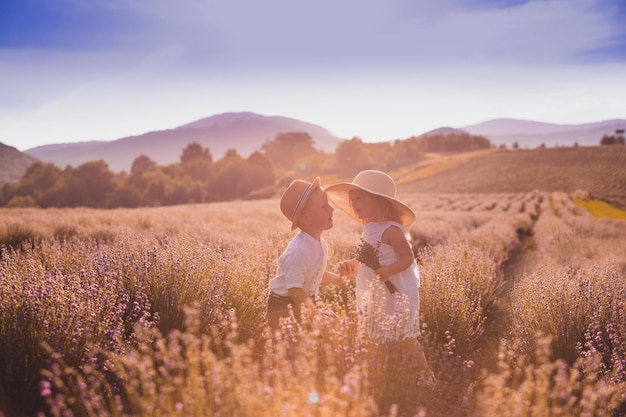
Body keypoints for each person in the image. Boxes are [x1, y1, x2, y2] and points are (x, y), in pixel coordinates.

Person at [327, 170, 436, 389]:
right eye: (352, 198)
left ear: (377, 199)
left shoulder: (391, 230)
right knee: (373, 333)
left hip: (395, 291)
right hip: (374, 291)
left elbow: (408, 258)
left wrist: (389, 270)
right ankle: (378, 377)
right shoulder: (369, 228)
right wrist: (352, 265)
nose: (354, 203)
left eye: (360, 197)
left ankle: (426, 375)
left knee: (405, 337)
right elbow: (366, 257)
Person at [266, 177, 345, 331]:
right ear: (306, 219)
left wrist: (336, 279)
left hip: (305, 299)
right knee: (294, 347)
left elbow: (313, 273)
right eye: (324, 207)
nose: (331, 209)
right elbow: (294, 289)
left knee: (334, 325)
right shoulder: (299, 251)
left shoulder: (318, 243)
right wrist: (314, 314)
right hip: (285, 306)